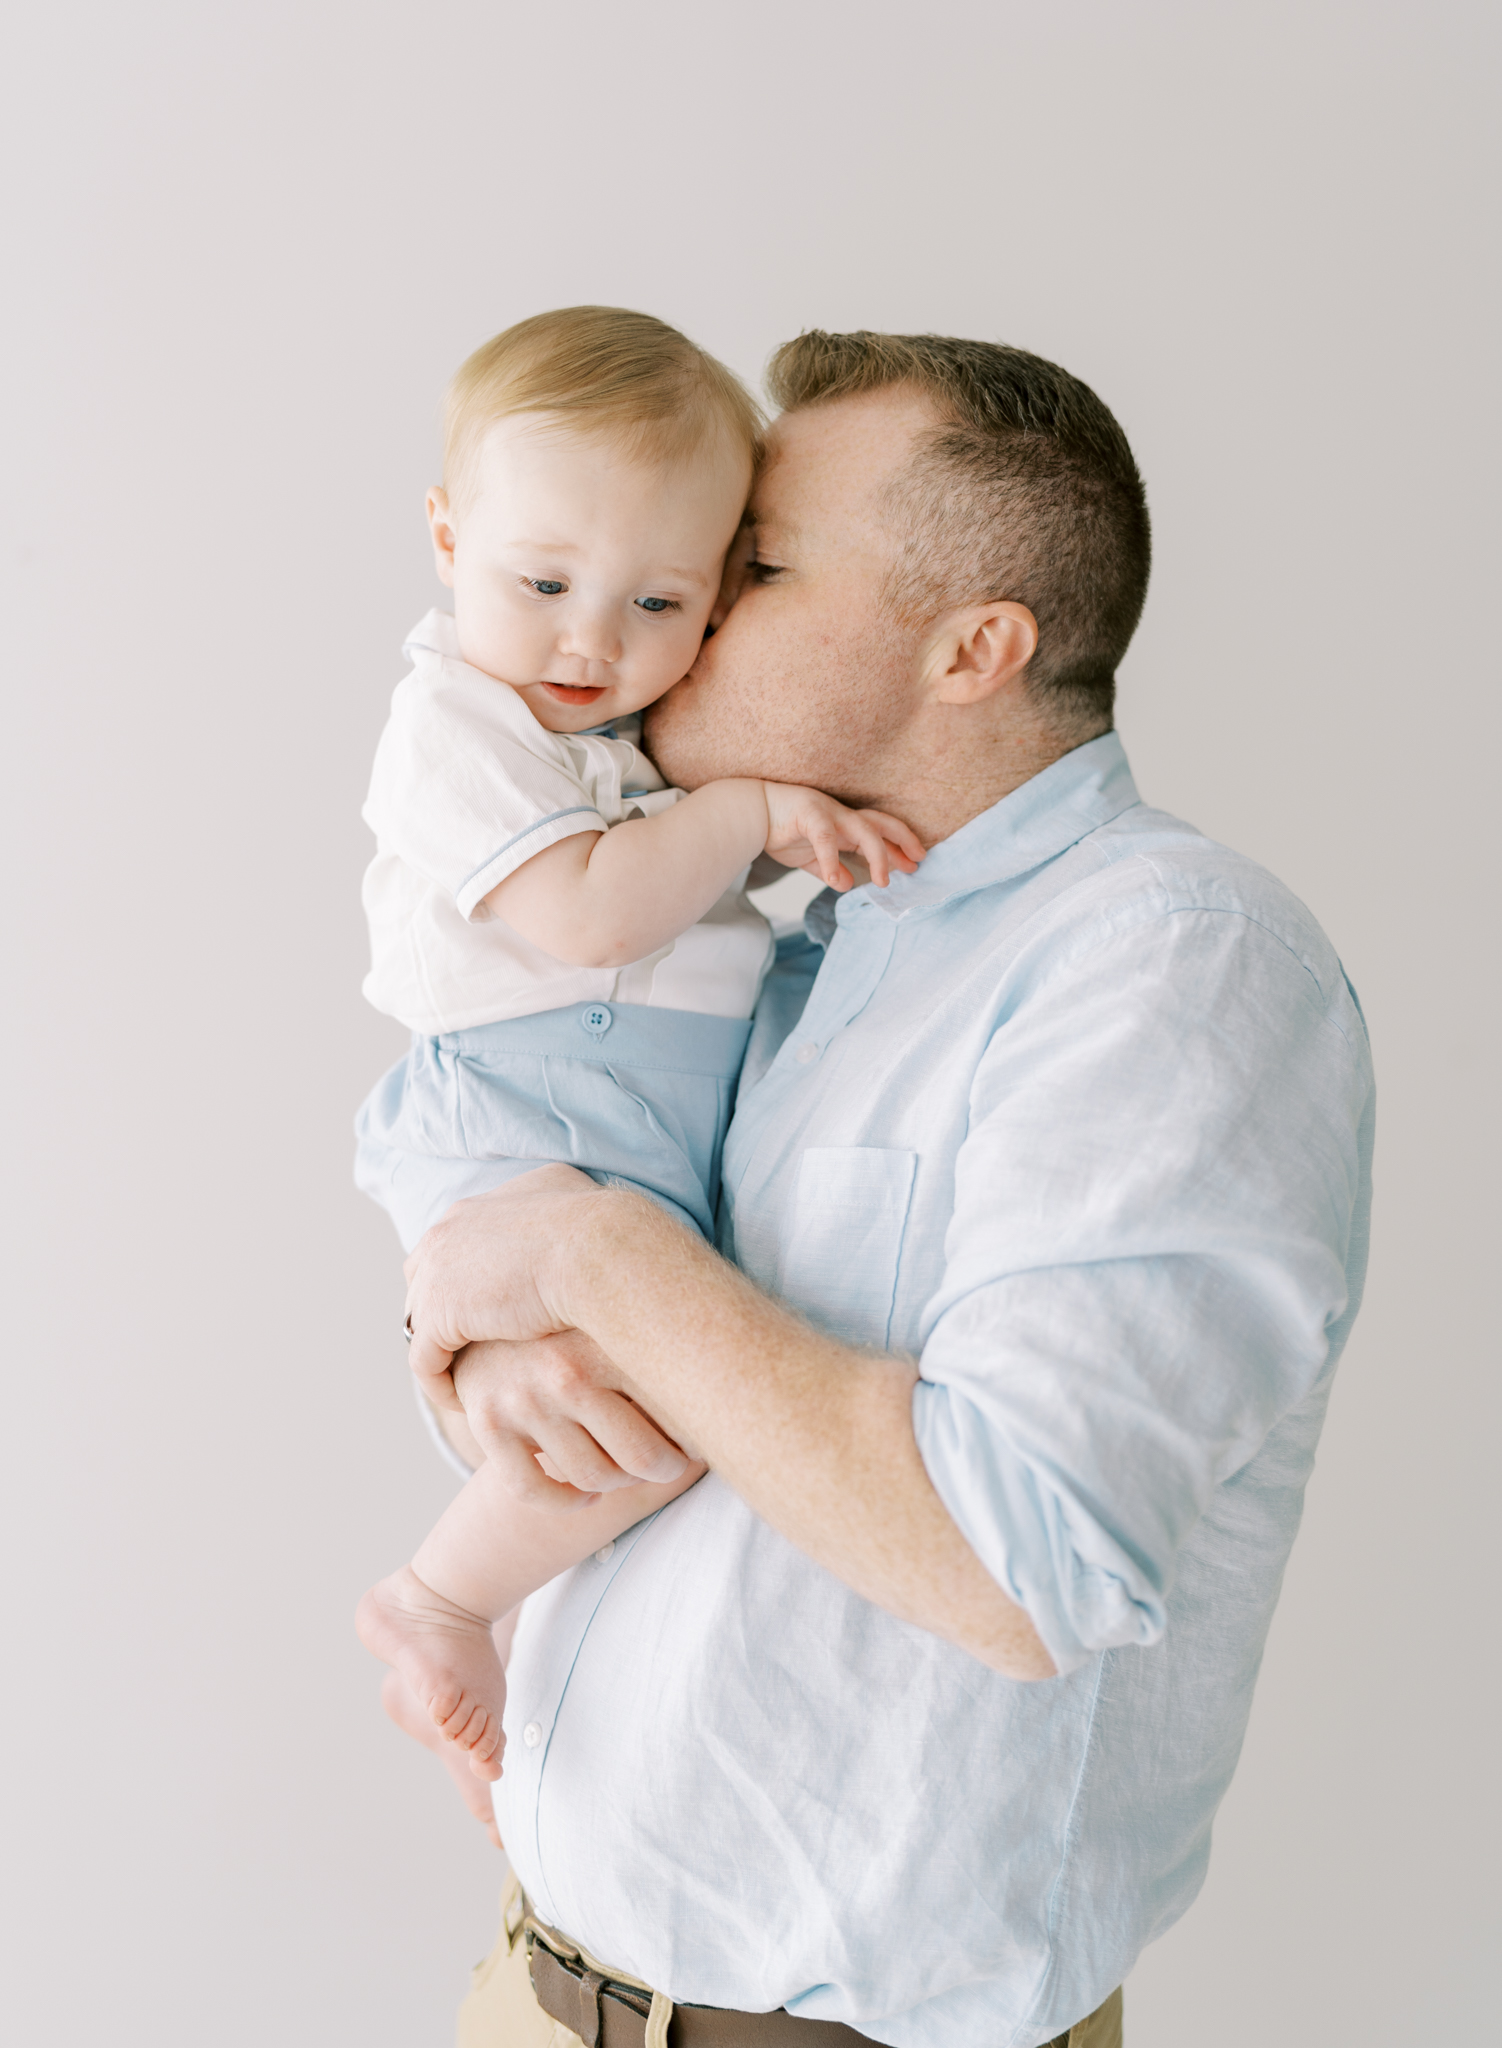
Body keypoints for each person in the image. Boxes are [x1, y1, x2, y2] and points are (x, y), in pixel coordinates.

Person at [394, 331, 1375, 2048]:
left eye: (753, 566)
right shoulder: (794, 948)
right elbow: (623, 1353)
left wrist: (594, 1253)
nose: (681, 608)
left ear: (973, 647)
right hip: (536, 1990)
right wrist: (493, 1345)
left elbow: (1016, 1562)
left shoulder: (1168, 964)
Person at [352, 307, 923, 1781]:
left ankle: (517, 1685)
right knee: (643, 1411)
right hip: (521, 1115)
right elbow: (594, 915)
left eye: (663, 605)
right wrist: (742, 818)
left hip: (623, 1135)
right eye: (540, 580)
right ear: (445, 535)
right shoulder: (458, 723)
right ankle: (435, 1602)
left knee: (642, 1440)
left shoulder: (618, 746)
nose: (591, 641)